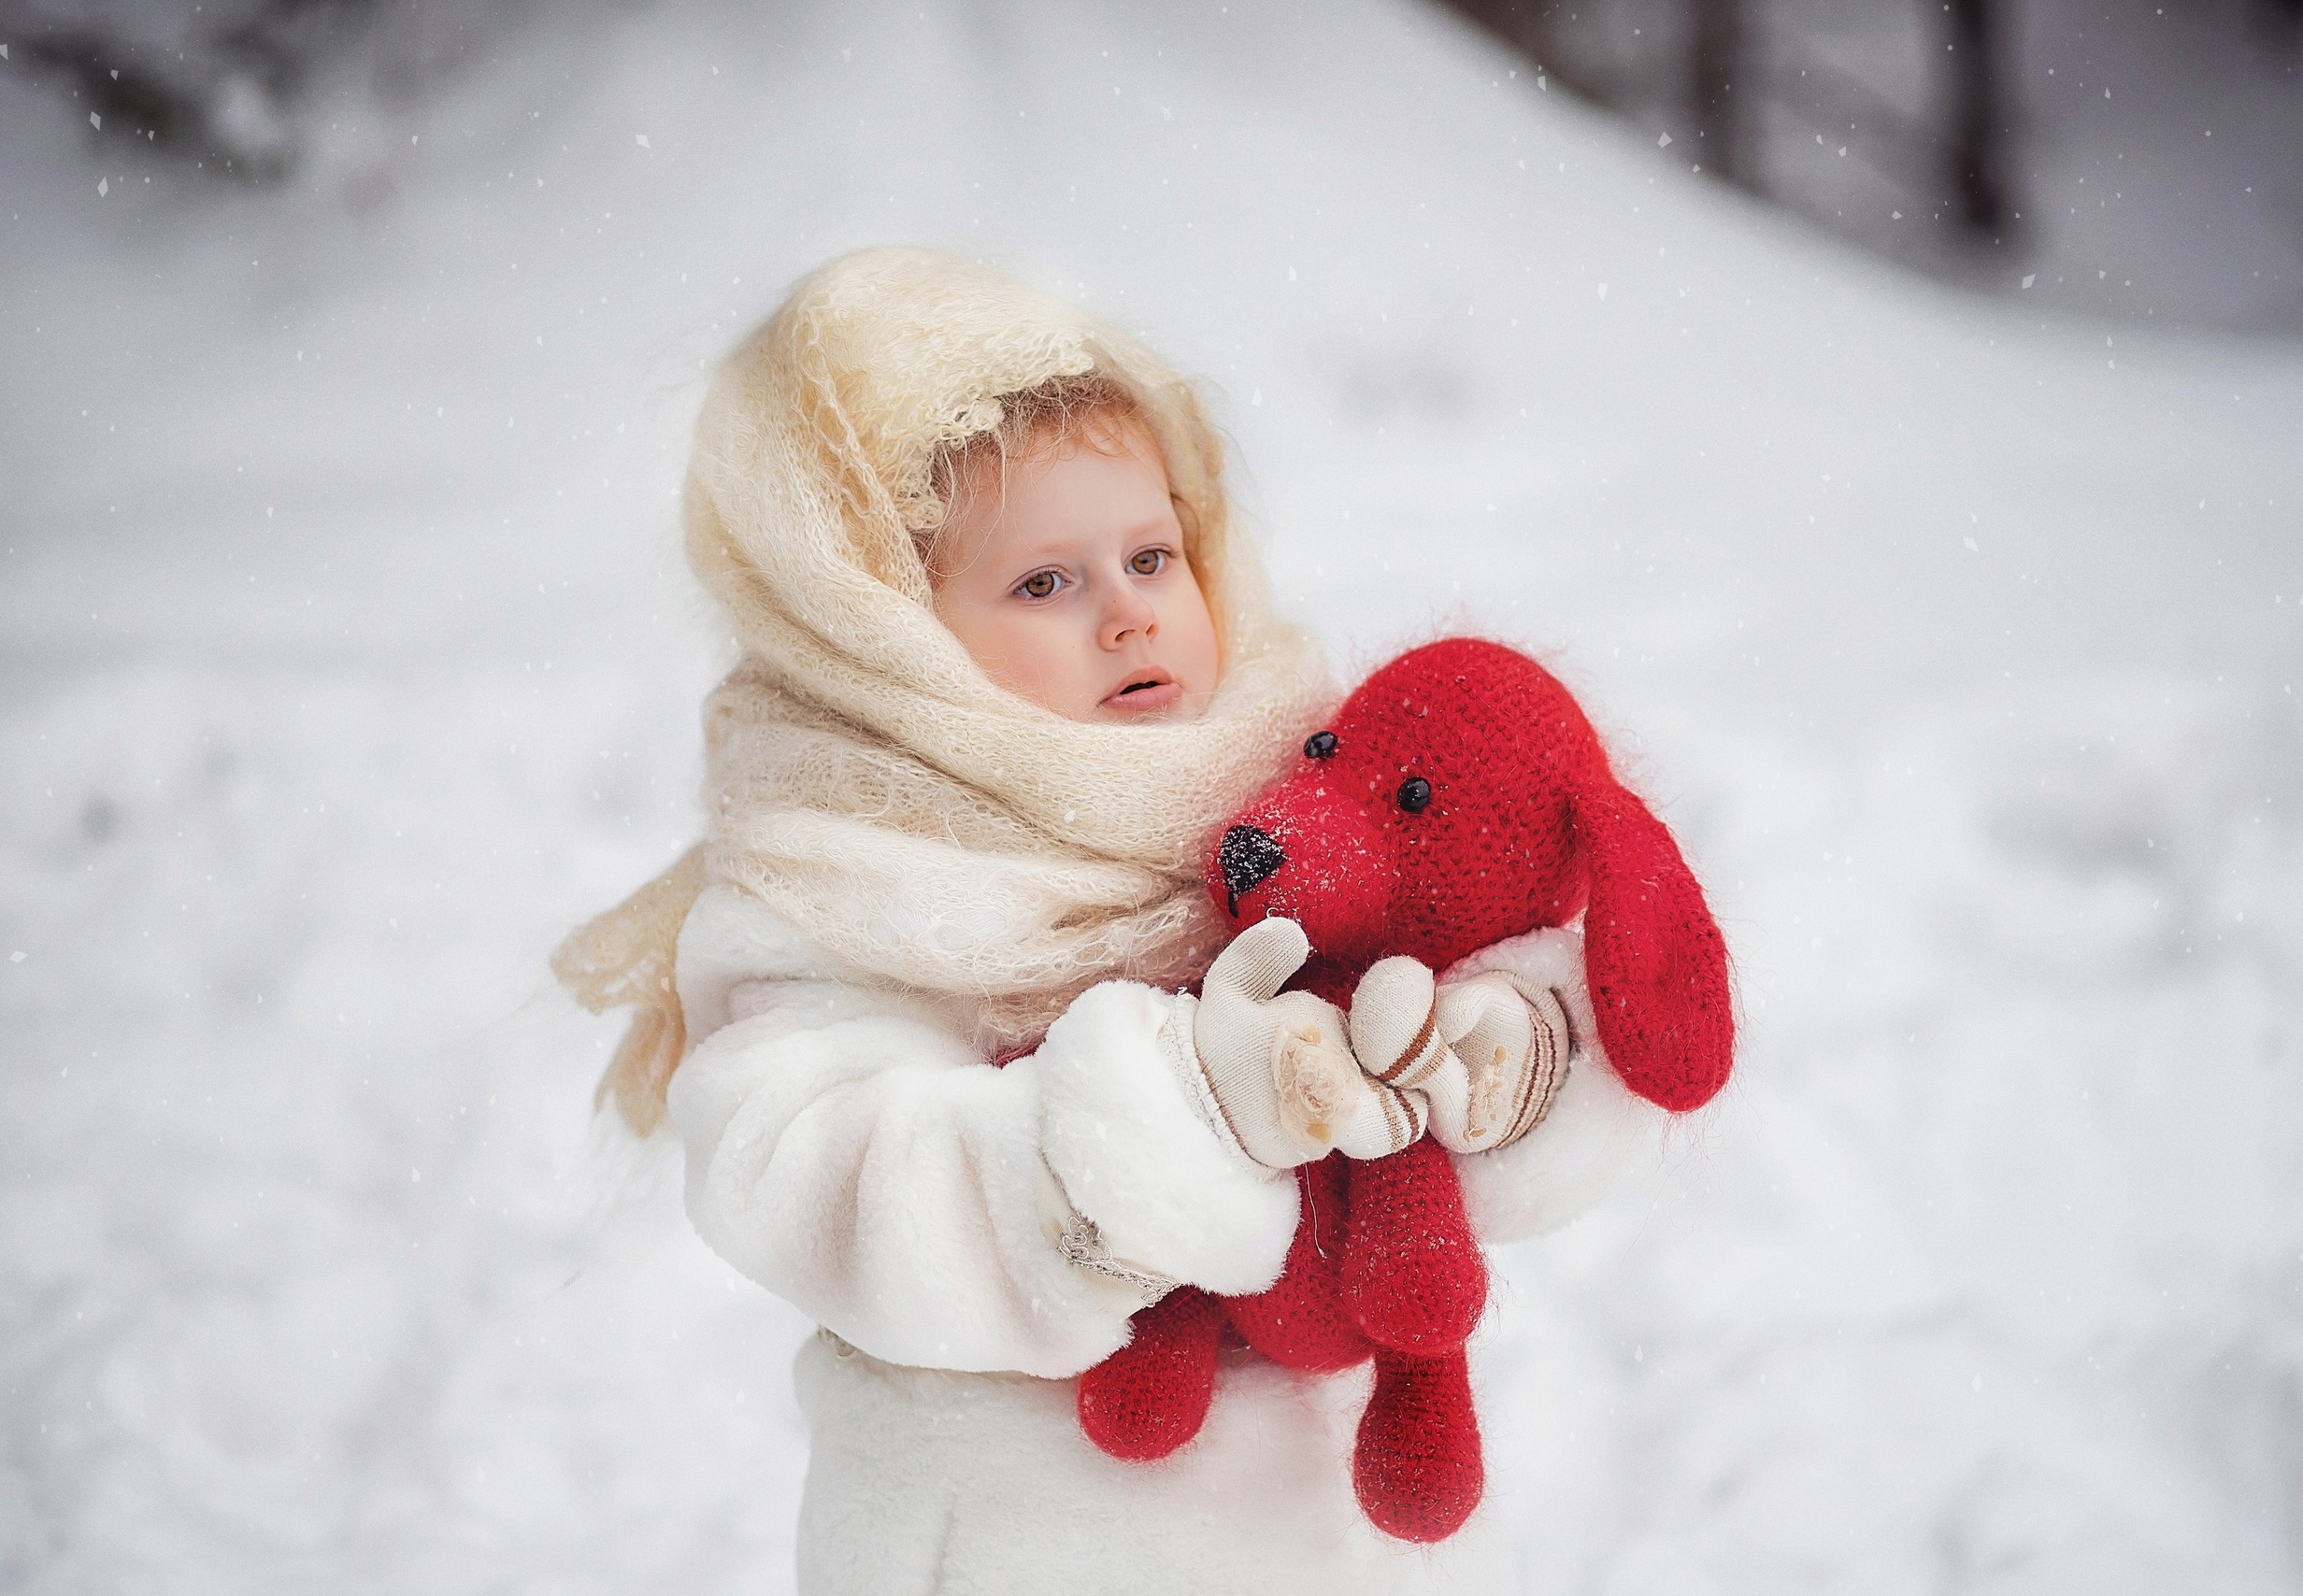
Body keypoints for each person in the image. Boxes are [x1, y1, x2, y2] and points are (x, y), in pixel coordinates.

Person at [554, 249, 1669, 1594]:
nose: (1129, 608)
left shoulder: (1293, 778)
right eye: (1044, 583)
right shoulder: (840, 872)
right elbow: (814, 1171)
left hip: (1332, 1530)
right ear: (887, 641)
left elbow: (1499, 963)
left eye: (1150, 556)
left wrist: (1502, 1054)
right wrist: (1177, 1127)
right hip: (1024, 1529)